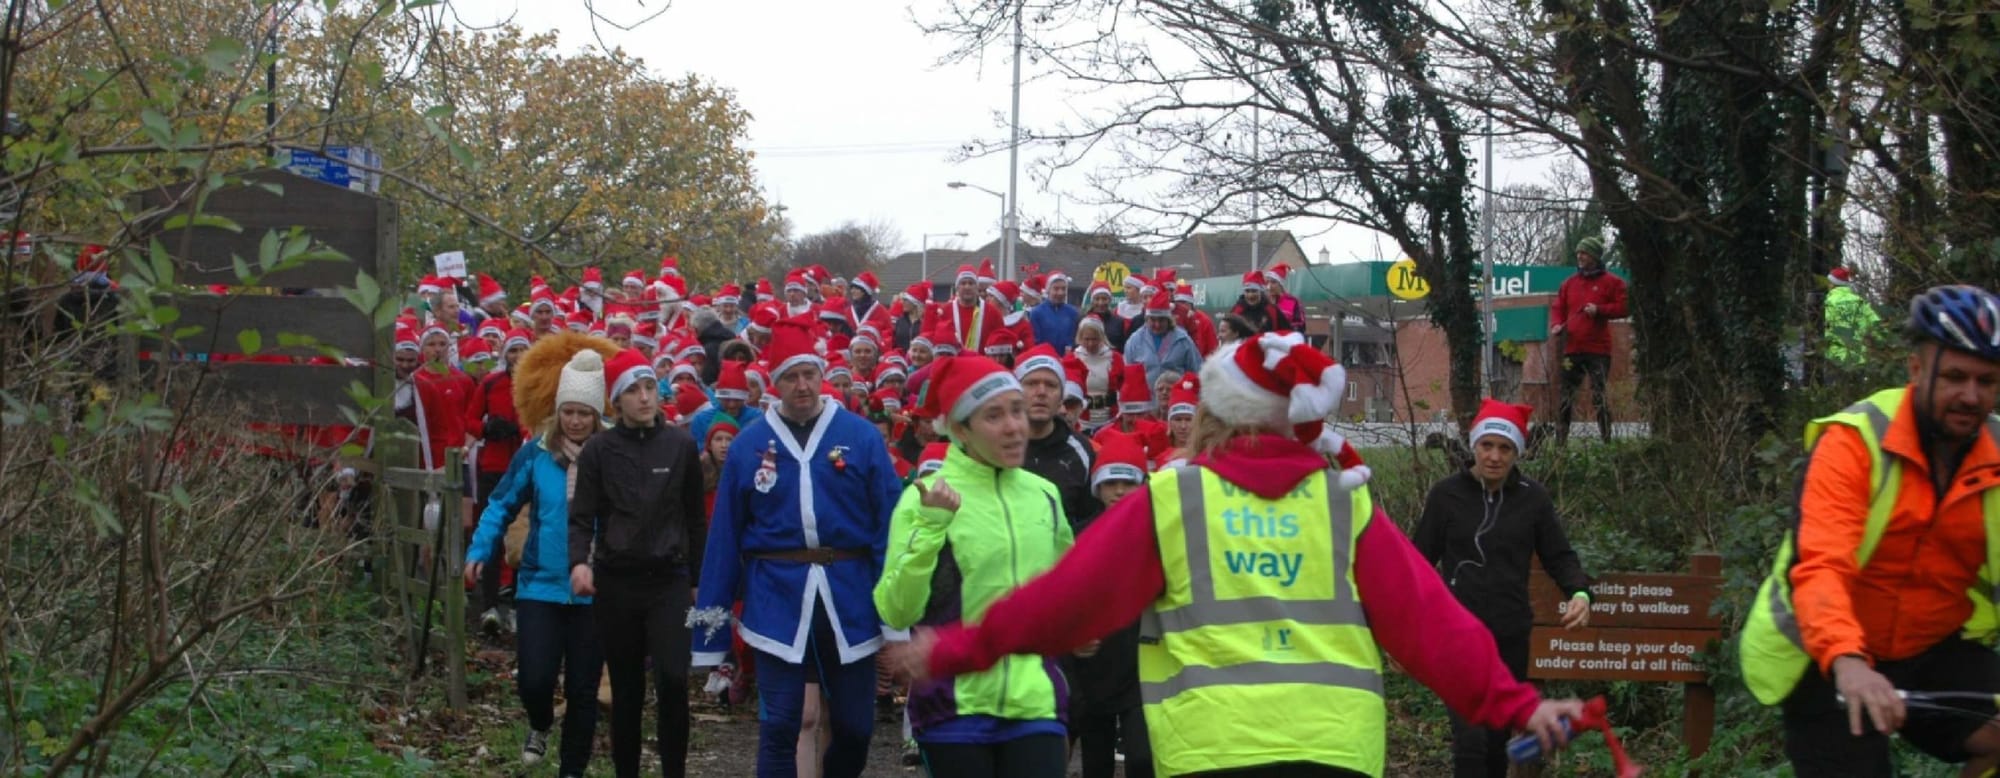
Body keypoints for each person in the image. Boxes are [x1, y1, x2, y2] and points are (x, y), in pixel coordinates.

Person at [886, 331, 1585, 778]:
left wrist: (954, 649)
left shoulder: (1172, 499)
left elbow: (1065, 604)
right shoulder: (1345, 502)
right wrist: (1517, 704)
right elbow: (1434, 625)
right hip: (1337, 752)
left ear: (1216, 413)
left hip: (1211, 751)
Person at [1740, 285, 2000, 778]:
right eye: (1954, 377)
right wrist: (1849, 662)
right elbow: (1821, 564)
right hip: (1829, 656)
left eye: (1986, 381)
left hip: (1934, 644)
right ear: (1916, 370)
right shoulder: (1856, 441)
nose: (1971, 395)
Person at [691, 320, 904, 778]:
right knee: (781, 724)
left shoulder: (861, 436)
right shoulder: (749, 445)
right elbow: (725, 535)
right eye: (790, 376)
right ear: (775, 383)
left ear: (821, 374)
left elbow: (891, 523)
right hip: (775, 596)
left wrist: (896, 615)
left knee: (855, 725)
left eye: (809, 374)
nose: (802, 385)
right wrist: (710, 629)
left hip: (850, 594)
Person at [873, 355, 1078, 777]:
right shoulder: (923, 497)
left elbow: (1067, 591)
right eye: (994, 416)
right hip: (953, 706)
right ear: (960, 429)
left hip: (1035, 701)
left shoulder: (1044, 494)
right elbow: (896, 610)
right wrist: (931, 529)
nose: (1014, 427)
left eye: (1017, 410)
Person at [1414, 399, 1592, 778]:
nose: (1494, 456)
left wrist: (1580, 593)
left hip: (1509, 636)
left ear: (1516, 453)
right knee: (1471, 743)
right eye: (1487, 445)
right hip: (1457, 635)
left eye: (1505, 448)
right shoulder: (1446, 496)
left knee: (1495, 744)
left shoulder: (1533, 499)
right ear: (1474, 446)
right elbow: (1417, 563)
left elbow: (1559, 556)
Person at [465, 337, 615, 777]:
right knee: (534, 679)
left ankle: (571, 769)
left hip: (593, 593)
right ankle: (540, 722)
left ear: (597, 414)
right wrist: (480, 548)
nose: (575, 420)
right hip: (539, 586)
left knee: (584, 690)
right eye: (568, 411)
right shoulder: (536, 454)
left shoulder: (610, 456)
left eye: (584, 413)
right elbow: (500, 503)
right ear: (557, 410)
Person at [567, 349, 707, 778]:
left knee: (672, 679)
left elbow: (695, 517)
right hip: (617, 581)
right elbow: (581, 516)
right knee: (626, 689)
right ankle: (625, 770)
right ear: (616, 401)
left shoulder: (681, 444)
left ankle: (674, 771)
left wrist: (698, 580)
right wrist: (579, 563)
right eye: (633, 390)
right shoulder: (598, 450)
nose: (645, 397)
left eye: (650, 387)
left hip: (668, 580)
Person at [1071, 434, 1154, 778]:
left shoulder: (1160, 536)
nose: (1119, 491)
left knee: (1142, 758)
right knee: (1096, 762)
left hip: (1144, 663)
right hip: (1095, 663)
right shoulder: (1079, 537)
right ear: (1098, 488)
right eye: (1111, 483)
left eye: (1127, 483)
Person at [465, 328, 534, 633]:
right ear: (504, 354)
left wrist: (520, 432)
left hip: (525, 468)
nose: (517, 357)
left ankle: (520, 606)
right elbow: (468, 419)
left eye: (522, 350)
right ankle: (490, 605)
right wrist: (487, 428)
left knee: (522, 537)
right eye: (512, 351)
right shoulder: (492, 382)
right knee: (491, 534)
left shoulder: (535, 383)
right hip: (493, 465)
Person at [1548, 235, 1627, 446]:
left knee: (1599, 396)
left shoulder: (1612, 282)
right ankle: (1560, 444)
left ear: (1594, 255)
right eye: (1578, 253)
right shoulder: (1569, 284)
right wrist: (1556, 324)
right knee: (1565, 397)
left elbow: (1624, 307)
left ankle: (1607, 441)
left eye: (1584, 253)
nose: (1580, 257)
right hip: (1572, 349)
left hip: (1598, 351)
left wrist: (1600, 310)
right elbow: (1558, 308)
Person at [1018, 345, 1101, 529]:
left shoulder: (1081, 451)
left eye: (1051, 385)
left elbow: (1091, 519)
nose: (1041, 392)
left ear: (1061, 397)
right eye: (1031, 384)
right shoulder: (995, 445)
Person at [1124, 290, 1203, 386]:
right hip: (1147, 399)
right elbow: (1128, 377)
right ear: (1146, 319)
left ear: (1169, 320)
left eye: (1161, 320)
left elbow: (1196, 371)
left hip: (1174, 398)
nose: (1157, 325)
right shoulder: (1135, 341)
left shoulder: (1183, 340)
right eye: (1153, 320)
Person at [1072, 317, 1125, 433]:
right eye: (1086, 339)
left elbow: (1125, 387)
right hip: (1082, 421)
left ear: (1102, 337)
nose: (1090, 344)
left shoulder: (1115, 358)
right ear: (1080, 338)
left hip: (1110, 419)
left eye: (1095, 339)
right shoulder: (1073, 359)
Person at [1824, 267, 1882, 370]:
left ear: (1832, 284)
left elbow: (1826, 328)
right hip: (1859, 356)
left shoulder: (1829, 302)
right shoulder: (1860, 301)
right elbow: (1876, 324)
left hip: (1836, 357)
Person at [1028, 272, 1081, 353]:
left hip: (1067, 360)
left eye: (1063, 289)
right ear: (1048, 290)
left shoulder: (1073, 313)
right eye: (1056, 289)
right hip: (1046, 359)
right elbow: (1035, 341)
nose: (1060, 293)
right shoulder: (1037, 313)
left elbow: (1077, 339)